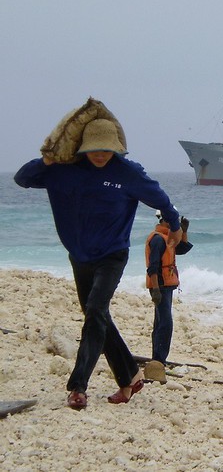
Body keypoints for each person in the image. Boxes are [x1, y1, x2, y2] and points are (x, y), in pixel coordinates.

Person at [14, 117, 182, 409]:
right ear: (82, 148)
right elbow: (23, 178)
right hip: (79, 255)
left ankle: (78, 386)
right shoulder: (64, 170)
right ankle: (130, 376)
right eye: (95, 148)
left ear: (116, 148)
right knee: (97, 316)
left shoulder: (127, 173)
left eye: (107, 149)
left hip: (112, 254)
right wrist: (48, 160)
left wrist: (175, 224)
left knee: (94, 310)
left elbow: (161, 200)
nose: (101, 154)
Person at [143, 209, 193, 383]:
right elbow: (153, 266)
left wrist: (184, 231)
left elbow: (182, 249)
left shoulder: (167, 238)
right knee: (164, 323)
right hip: (161, 286)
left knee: (160, 322)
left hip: (165, 285)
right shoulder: (158, 239)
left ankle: (157, 358)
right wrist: (155, 289)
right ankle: (159, 359)